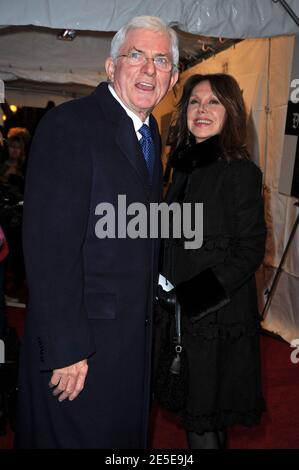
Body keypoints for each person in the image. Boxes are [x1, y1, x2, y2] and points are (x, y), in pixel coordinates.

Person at [15, 16, 179, 449]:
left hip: (129, 341)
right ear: (111, 67)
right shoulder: (72, 125)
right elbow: (50, 248)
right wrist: (66, 347)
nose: (149, 69)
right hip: (81, 348)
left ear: (174, 76)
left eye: (161, 60)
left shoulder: (147, 134)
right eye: (137, 55)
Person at [157, 74, 266, 449]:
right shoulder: (183, 167)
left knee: (203, 419)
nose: (202, 110)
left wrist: (190, 297)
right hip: (180, 312)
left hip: (215, 314)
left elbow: (251, 249)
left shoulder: (239, 171)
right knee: (203, 415)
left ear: (231, 111)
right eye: (194, 102)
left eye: (214, 102)